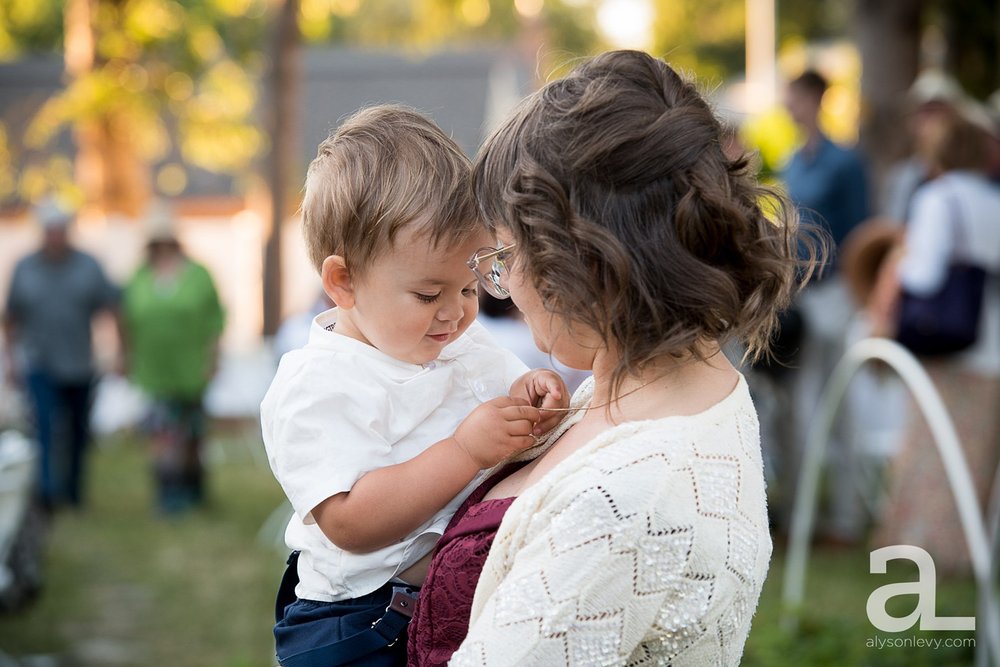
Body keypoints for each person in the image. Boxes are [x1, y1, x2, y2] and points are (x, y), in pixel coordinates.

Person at [407, 50, 815, 666]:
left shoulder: (626, 502)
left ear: (581, 260)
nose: (505, 284)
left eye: (506, 255)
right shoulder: (673, 384)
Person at [260, 105, 569, 667]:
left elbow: (505, 395)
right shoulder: (319, 385)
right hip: (360, 623)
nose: (455, 313)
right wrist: (464, 450)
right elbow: (351, 522)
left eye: (470, 288)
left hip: (442, 600)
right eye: (429, 295)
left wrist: (533, 392)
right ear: (343, 281)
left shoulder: (457, 342)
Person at [870, 114, 1000, 576]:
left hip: (947, 345)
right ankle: (971, 553)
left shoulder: (939, 198)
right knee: (976, 453)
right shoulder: (992, 199)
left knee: (933, 448)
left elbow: (923, 274)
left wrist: (896, 264)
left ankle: (925, 550)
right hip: (991, 347)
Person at [778, 69, 870, 542]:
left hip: (834, 295)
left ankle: (846, 517)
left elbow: (860, 234)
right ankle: (801, 515)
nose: (787, 104)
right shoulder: (792, 161)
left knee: (837, 406)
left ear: (815, 98)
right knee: (799, 407)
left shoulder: (845, 163)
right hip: (798, 296)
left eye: (793, 95)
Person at [2, 197, 119, 511]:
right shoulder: (25, 268)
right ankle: (47, 492)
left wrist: (120, 351)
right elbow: (11, 318)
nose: (56, 236)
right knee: (45, 427)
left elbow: (112, 307)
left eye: (61, 229)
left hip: (80, 364)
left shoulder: (88, 266)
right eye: (50, 230)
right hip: (40, 362)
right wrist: (11, 360)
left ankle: (73, 490)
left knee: (79, 431)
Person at [120, 200, 225, 514]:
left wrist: (213, 357)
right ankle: (168, 492)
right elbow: (126, 321)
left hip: (191, 368)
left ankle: (194, 486)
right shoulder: (138, 277)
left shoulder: (198, 274)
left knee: (192, 433)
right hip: (154, 370)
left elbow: (214, 320)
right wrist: (124, 357)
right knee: (163, 433)